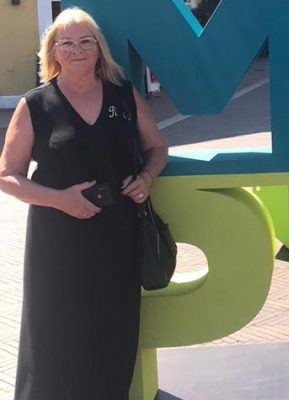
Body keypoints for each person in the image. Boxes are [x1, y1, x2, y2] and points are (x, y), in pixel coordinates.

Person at [0, 7, 168, 399]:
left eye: (85, 41)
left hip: (117, 238)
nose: (76, 50)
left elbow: (158, 147)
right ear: (53, 51)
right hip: (57, 241)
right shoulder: (36, 104)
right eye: (67, 43)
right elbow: (7, 175)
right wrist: (60, 200)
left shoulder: (124, 95)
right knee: (55, 336)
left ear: (98, 48)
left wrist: (146, 178)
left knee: (113, 333)